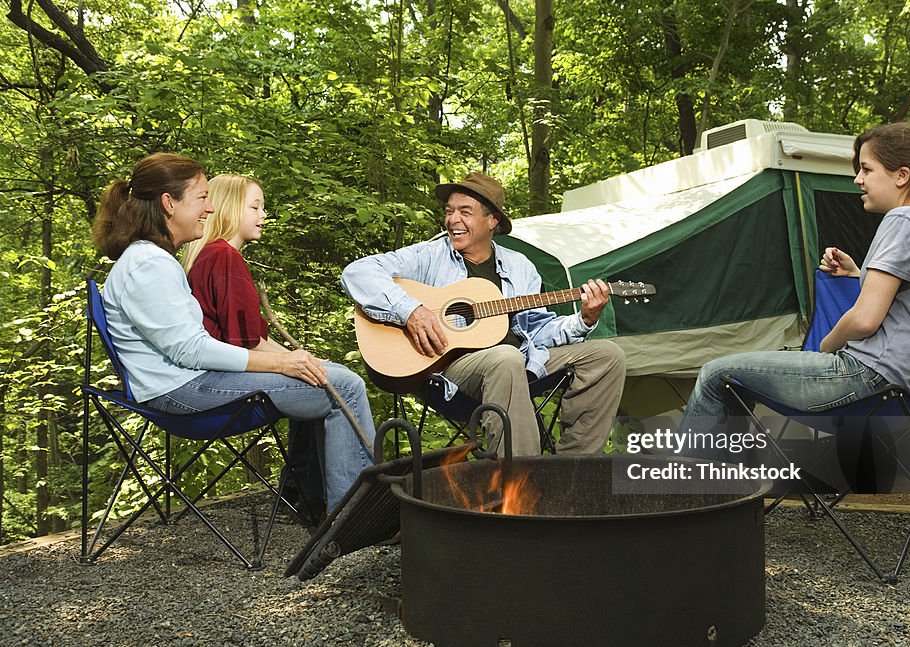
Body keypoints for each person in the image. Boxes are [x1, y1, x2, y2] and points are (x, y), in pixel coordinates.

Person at [681, 121, 910, 481]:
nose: (858, 179)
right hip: (907, 388)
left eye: (867, 169)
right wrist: (860, 275)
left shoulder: (904, 220)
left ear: (902, 175)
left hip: (865, 378)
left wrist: (827, 346)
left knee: (716, 374)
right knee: (735, 379)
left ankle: (687, 492)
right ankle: (731, 492)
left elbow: (865, 320)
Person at [92, 154, 374, 513]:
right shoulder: (148, 264)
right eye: (201, 198)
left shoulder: (152, 259)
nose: (209, 209)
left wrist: (287, 363)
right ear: (169, 203)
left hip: (183, 383)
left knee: (328, 376)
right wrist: (281, 364)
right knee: (345, 387)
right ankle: (354, 516)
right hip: (181, 391)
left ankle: (320, 500)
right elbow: (190, 351)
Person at [341, 172, 626, 456]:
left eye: (465, 212)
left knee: (608, 355)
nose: (453, 220)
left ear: (492, 221)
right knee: (506, 358)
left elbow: (538, 331)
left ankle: (573, 469)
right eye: (449, 211)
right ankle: (526, 482)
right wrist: (411, 311)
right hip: (450, 373)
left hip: (523, 362)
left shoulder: (520, 266)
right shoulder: (428, 256)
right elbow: (357, 273)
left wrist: (585, 319)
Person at [180, 174, 368, 522]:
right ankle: (353, 514)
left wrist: (302, 359)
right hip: (222, 380)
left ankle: (305, 496)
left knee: (319, 372)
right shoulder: (224, 258)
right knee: (347, 385)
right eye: (255, 206)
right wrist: (296, 360)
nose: (264, 215)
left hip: (218, 373)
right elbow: (246, 343)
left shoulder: (210, 255)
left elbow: (250, 337)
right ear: (230, 208)